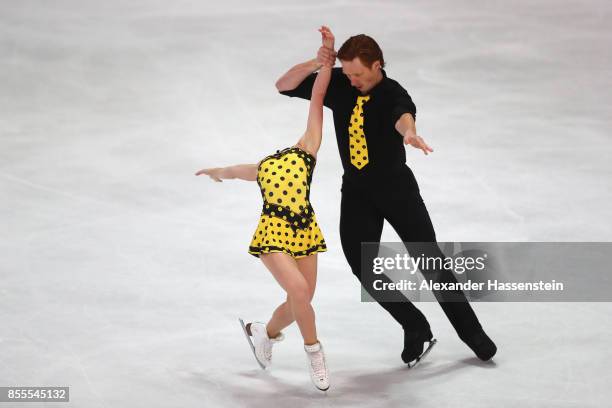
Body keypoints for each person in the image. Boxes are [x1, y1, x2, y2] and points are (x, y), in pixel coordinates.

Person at [275, 31, 497, 364]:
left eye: (358, 74)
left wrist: (409, 132)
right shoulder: (340, 83)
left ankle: (472, 333)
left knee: (430, 261)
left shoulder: (392, 92)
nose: (352, 81)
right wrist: (317, 63)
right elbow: (285, 85)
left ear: (377, 65)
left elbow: (402, 115)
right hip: (357, 193)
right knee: (362, 266)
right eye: (347, 73)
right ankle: (415, 325)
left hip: (396, 191)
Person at [195, 26, 336, 391]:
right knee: (301, 294)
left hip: (305, 229)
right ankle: (314, 351)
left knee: (299, 299)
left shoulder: (306, 150)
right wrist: (217, 172)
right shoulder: (263, 167)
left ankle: (264, 332)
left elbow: (318, 99)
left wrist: (324, 59)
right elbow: (236, 171)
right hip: (272, 233)